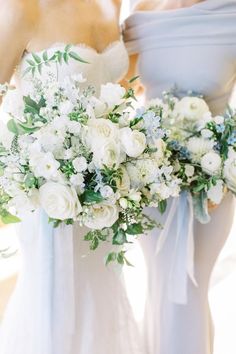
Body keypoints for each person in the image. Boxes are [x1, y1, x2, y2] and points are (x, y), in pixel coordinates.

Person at [0, 1, 144, 354]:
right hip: (48, 193)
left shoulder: (111, 3)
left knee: (101, 291)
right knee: (55, 298)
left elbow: (122, 89)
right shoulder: (22, 8)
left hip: (107, 189)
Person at [124, 0, 236, 353]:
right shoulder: (141, 13)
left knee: (189, 286)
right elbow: (121, 86)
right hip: (150, 180)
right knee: (160, 286)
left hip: (211, 186)